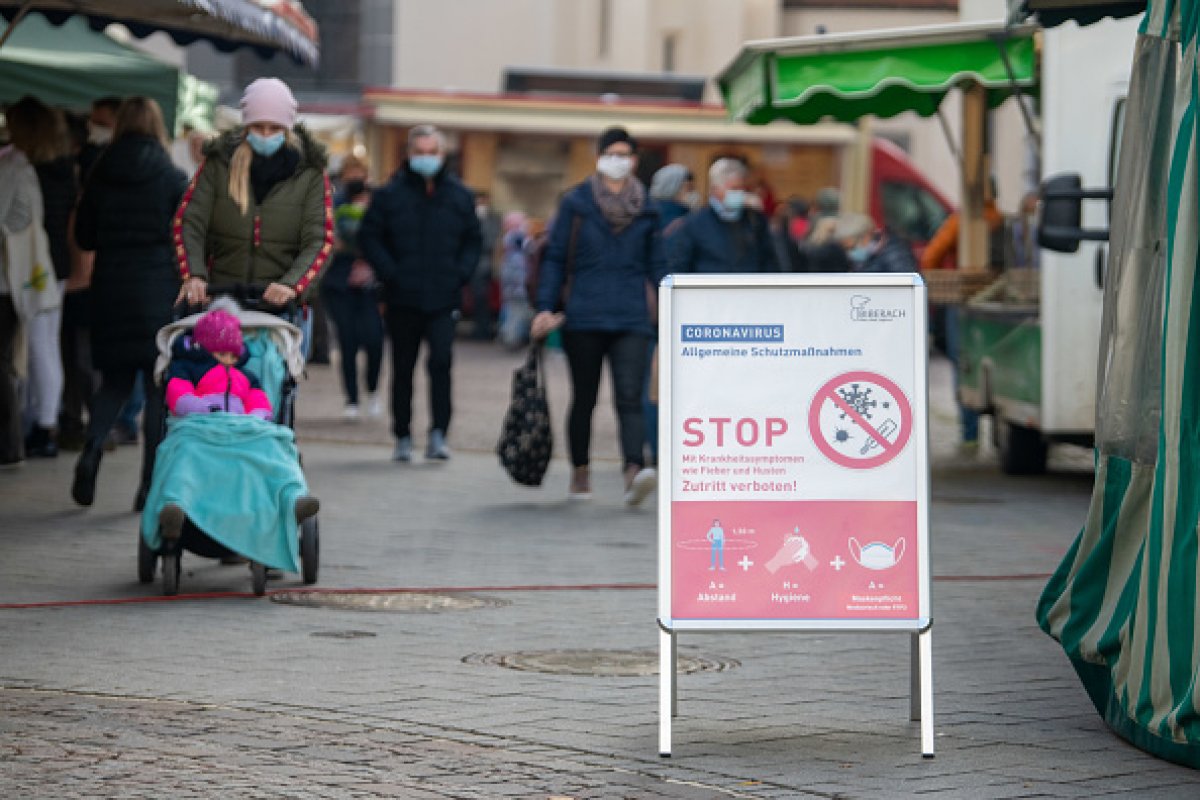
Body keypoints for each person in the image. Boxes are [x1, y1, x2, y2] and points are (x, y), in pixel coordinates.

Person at [530, 126, 667, 506]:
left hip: (632, 317)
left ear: (635, 161)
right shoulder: (576, 203)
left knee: (629, 397)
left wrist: (673, 306)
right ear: (600, 157)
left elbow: (658, 265)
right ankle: (580, 472)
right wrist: (546, 307)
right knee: (585, 398)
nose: (619, 160)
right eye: (613, 153)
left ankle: (633, 472)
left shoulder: (648, 208)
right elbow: (556, 258)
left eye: (626, 154)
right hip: (584, 316)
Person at [70, 97, 188, 510]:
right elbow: (185, 240)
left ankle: (92, 448)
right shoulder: (172, 176)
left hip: (110, 287)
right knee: (158, 389)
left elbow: (84, 236)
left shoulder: (101, 173)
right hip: (156, 288)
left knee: (115, 381)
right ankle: (148, 486)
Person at [358, 125, 481, 461]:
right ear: (409, 155)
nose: (426, 158)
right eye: (419, 152)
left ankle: (439, 433)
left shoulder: (459, 195)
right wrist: (391, 273)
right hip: (402, 297)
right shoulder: (389, 195)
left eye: (432, 152)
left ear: (442, 155)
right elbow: (370, 238)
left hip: (444, 296)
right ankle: (402, 435)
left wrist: (461, 274)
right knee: (403, 368)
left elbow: (474, 240)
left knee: (441, 363)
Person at [175, 77, 332, 310]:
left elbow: (319, 240)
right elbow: (190, 222)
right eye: (258, 127)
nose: (266, 135)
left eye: (275, 128)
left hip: (280, 306)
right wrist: (194, 276)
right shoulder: (218, 164)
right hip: (221, 300)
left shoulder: (310, 174)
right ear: (246, 126)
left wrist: (292, 285)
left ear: (287, 129)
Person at [6, 97, 73, 458]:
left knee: (37, 346)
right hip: (52, 266)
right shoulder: (62, 169)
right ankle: (44, 420)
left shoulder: (32, 171)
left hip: (34, 267)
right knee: (44, 344)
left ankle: (42, 423)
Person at [0, 134, 50, 467]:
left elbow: (20, 221)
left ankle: (9, 446)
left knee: (5, 360)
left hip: (7, 281)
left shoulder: (17, 169)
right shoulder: (19, 168)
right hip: (8, 281)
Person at [320, 179, 384, 420]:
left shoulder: (378, 214)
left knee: (374, 340)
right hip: (340, 285)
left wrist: (371, 265)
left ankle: (373, 390)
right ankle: (352, 399)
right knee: (348, 342)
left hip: (369, 289)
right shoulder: (335, 211)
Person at [668, 158, 779, 275]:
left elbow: (770, 262)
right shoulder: (693, 224)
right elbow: (680, 267)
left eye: (742, 188)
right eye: (733, 189)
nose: (739, 193)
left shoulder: (755, 221)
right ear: (715, 189)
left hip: (749, 291)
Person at [165, 306, 272, 419]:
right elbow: (179, 395)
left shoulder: (247, 376)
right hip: (201, 421)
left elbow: (257, 399)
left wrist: (257, 417)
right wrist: (204, 409)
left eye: (234, 356)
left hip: (238, 425)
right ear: (204, 349)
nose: (228, 360)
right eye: (222, 354)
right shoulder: (188, 368)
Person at [496, 211, 534, 349]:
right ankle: (511, 339)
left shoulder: (508, 240)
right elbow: (529, 250)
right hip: (518, 284)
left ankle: (510, 336)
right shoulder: (517, 238)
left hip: (512, 284)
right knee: (516, 313)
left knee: (512, 312)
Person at [834, 212, 917, 273]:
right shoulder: (867, 256)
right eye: (845, 249)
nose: (849, 253)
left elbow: (904, 289)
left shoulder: (896, 255)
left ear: (866, 236)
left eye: (851, 248)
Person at [470, 190, 501, 340]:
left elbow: (490, 242)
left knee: (481, 299)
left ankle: (483, 330)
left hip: (483, 265)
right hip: (470, 264)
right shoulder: (469, 217)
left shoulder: (493, 220)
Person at [648, 164, 695, 233]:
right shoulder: (678, 220)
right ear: (672, 188)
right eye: (688, 188)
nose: (691, 193)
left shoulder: (648, 212)